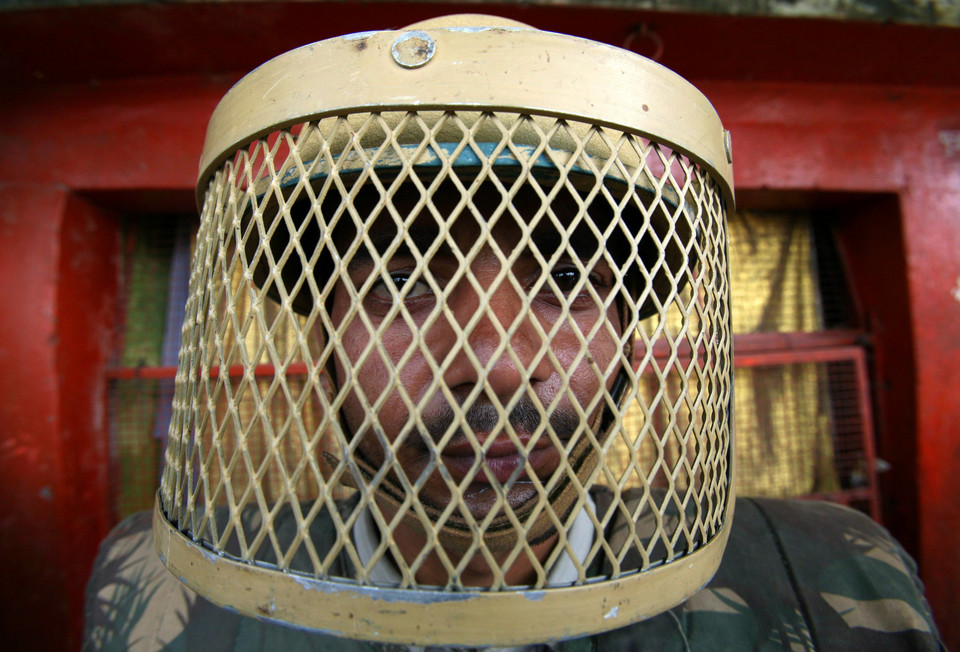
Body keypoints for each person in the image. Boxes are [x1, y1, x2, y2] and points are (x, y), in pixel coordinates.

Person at [85, 14, 943, 651]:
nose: (492, 364)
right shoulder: (157, 592)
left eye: (566, 281)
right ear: (325, 342)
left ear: (629, 338)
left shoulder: (839, 576)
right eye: (400, 283)